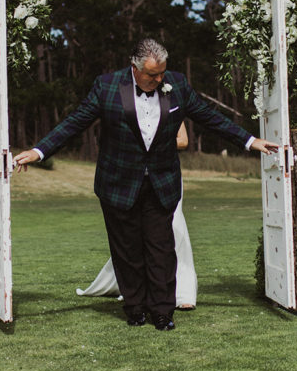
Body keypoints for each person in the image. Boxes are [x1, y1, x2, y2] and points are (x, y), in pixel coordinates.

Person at [14, 38, 277, 330]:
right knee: (126, 250)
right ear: (134, 67)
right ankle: (135, 306)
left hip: (162, 182)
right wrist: (39, 151)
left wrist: (251, 141)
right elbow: (74, 123)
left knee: (161, 249)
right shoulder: (107, 86)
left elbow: (209, 116)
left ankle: (163, 311)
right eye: (152, 74)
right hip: (118, 182)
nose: (158, 79)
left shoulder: (176, 84)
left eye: (162, 73)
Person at [77, 123, 198, 309]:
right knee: (135, 232)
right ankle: (136, 289)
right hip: (133, 175)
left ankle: (182, 291)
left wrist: (152, 144)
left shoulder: (172, 101)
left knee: (173, 228)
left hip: (164, 177)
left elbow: (182, 141)